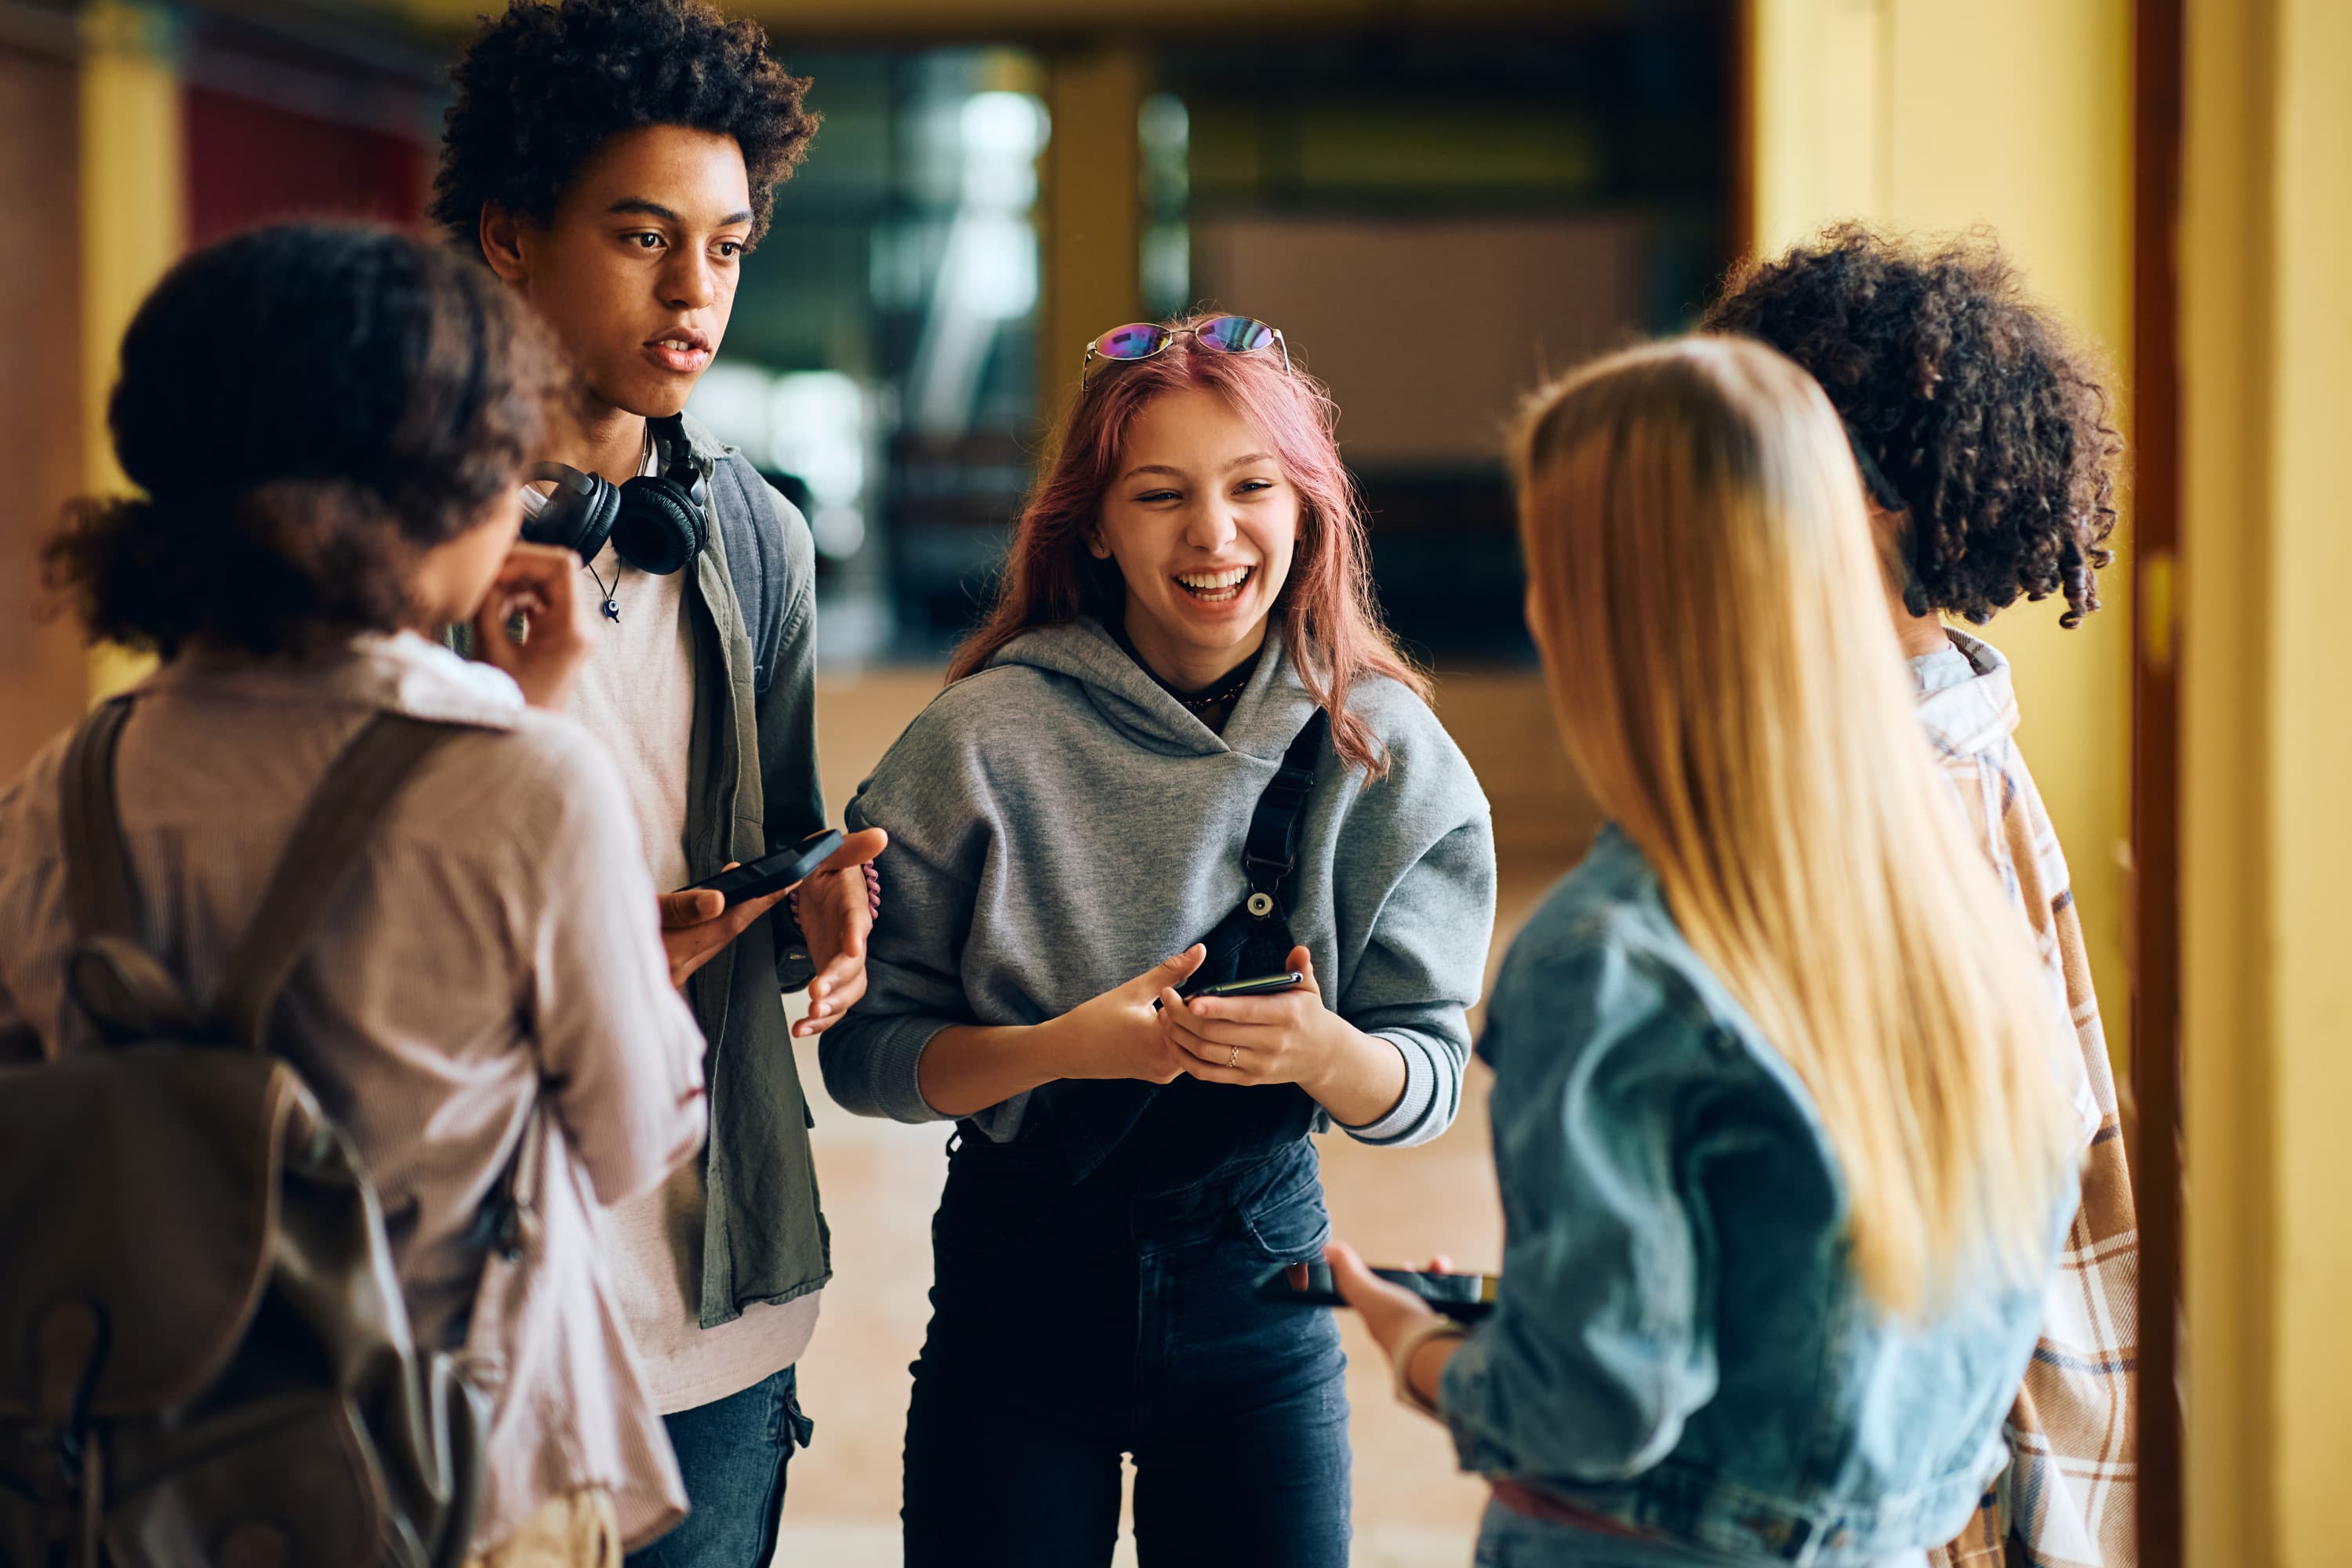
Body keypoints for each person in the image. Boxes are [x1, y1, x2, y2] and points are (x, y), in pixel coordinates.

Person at [0, 223, 708, 1563]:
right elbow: (634, 1137)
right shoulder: (529, 786)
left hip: (142, 1481)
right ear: (426, 492)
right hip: (448, 1475)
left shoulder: (57, 793)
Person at [1331, 336, 2089, 1567]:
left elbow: (1600, 1406)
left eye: (1553, 567)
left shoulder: (1610, 956)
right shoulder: (1960, 888)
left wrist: (1431, 1358)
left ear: (1613, 611)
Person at [821, 312, 1497, 1567]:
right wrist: (1058, 1049)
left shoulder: (1383, 747)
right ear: (1095, 522)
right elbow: (863, 1057)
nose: (1213, 533)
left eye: (1252, 489)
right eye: (1161, 494)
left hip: (1257, 1300)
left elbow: (1430, 1080)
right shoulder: (981, 740)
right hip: (1013, 1304)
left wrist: (1320, 1054)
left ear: (1307, 510)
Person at [431, 3, 884, 1560]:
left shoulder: (756, 533)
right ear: (508, 234)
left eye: (730, 245)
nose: (698, 294)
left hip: (711, 1285)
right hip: (466, 1291)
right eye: (643, 238)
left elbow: (783, 830)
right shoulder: (395, 542)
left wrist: (825, 895)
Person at [1703, 224, 2137, 1568]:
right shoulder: (1941, 714)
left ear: (1875, 498)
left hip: (1926, 1457)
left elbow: (1962, 1184)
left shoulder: (1901, 783)